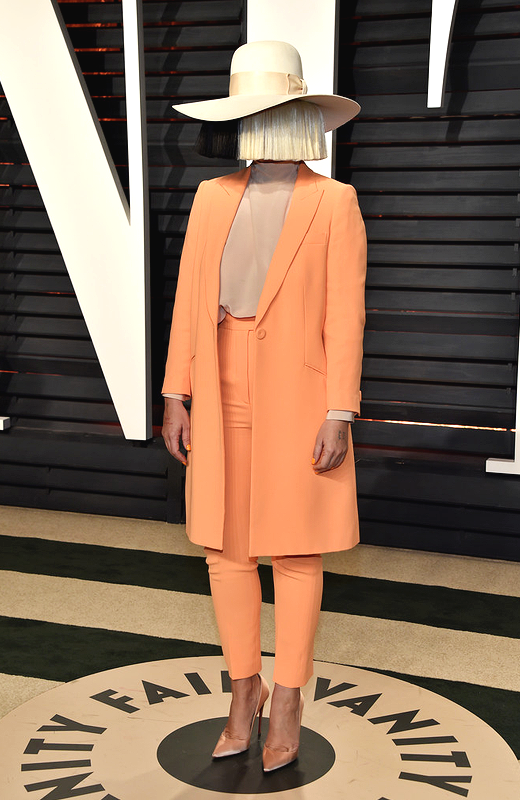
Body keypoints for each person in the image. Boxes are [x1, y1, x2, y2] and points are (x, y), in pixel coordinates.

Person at [161, 40, 367, 772]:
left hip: (301, 392)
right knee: (225, 549)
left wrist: (340, 409)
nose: (259, 123)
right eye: (249, 111)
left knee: (296, 548)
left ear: (298, 115)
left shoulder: (335, 202)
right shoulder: (212, 196)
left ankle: (288, 698)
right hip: (219, 384)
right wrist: (176, 393)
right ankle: (241, 691)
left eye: (270, 109)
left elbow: (346, 315)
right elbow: (189, 301)